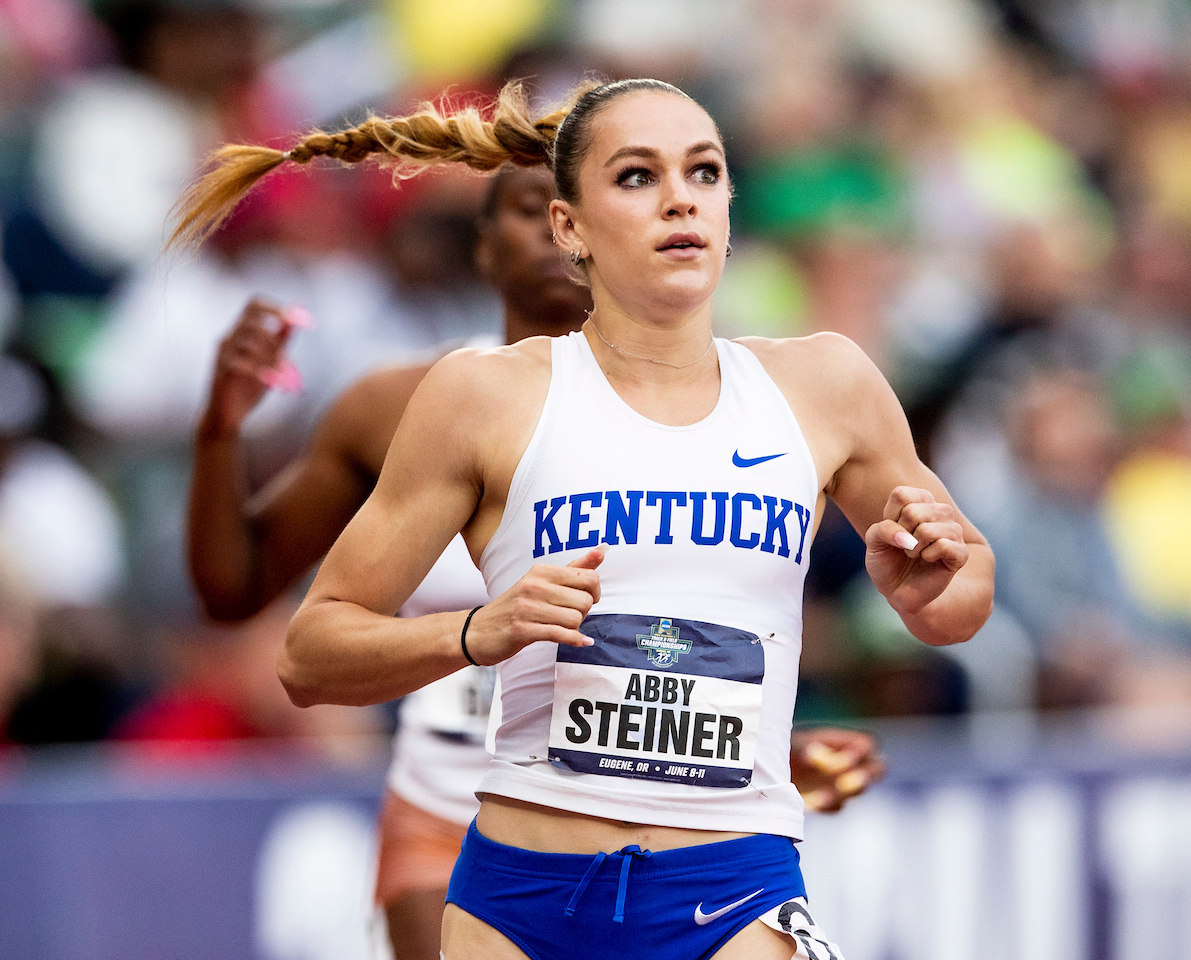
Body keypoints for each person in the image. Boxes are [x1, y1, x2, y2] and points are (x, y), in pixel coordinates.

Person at [174, 76, 991, 960]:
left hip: (729, 888)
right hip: (520, 897)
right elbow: (306, 655)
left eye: (705, 172)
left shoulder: (828, 384)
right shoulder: (479, 397)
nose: (681, 197)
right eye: (637, 177)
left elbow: (961, 604)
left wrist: (935, 587)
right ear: (570, 228)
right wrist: (479, 631)